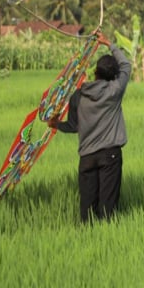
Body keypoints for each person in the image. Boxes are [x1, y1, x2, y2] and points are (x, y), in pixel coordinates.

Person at [48, 31, 131, 223]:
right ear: (114, 76)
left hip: (86, 158)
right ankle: (105, 242)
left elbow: (73, 125)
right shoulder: (114, 90)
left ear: (95, 72)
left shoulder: (78, 95)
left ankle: (89, 239)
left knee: (87, 211)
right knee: (107, 209)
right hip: (110, 155)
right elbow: (126, 65)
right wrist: (108, 43)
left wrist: (55, 124)